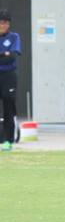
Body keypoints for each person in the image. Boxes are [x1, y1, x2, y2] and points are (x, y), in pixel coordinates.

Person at [0, 9, 20, 150]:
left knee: (8, 106)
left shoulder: (14, 37)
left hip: (9, 76)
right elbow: (5, 56)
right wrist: (3, 54)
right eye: (0, 22)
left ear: (9, 24)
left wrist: (6, 55)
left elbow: (11, 57)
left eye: (5, 22)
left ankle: (8, 141)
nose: (2, 25)